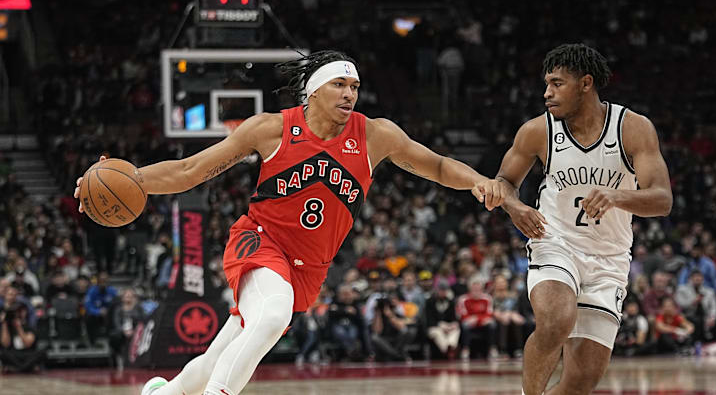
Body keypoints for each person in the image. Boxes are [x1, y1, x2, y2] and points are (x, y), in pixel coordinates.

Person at [74, 50, 504, 395]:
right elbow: (190, 170)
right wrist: (132, 179)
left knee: (223, 351)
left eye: (354, 86)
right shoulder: (270, 129)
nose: (349, 93)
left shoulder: (375, 134)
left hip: (310, 268)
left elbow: (439, 166)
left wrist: (478, 182)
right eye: (339, 84)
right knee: (271, 315)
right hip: (259, 242)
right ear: (314, 90)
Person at [494, 44, 672, 395]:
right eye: (546, 84)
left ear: (586, 83)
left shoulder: (632, 128)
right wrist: (515, 207)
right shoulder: (537, 131)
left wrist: (618, 196)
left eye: (557, 84)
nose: (547, 93)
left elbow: (662, 199)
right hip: (555, 242)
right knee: (555, 320)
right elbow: (504, 183)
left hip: (609, 258)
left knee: (581, 380)